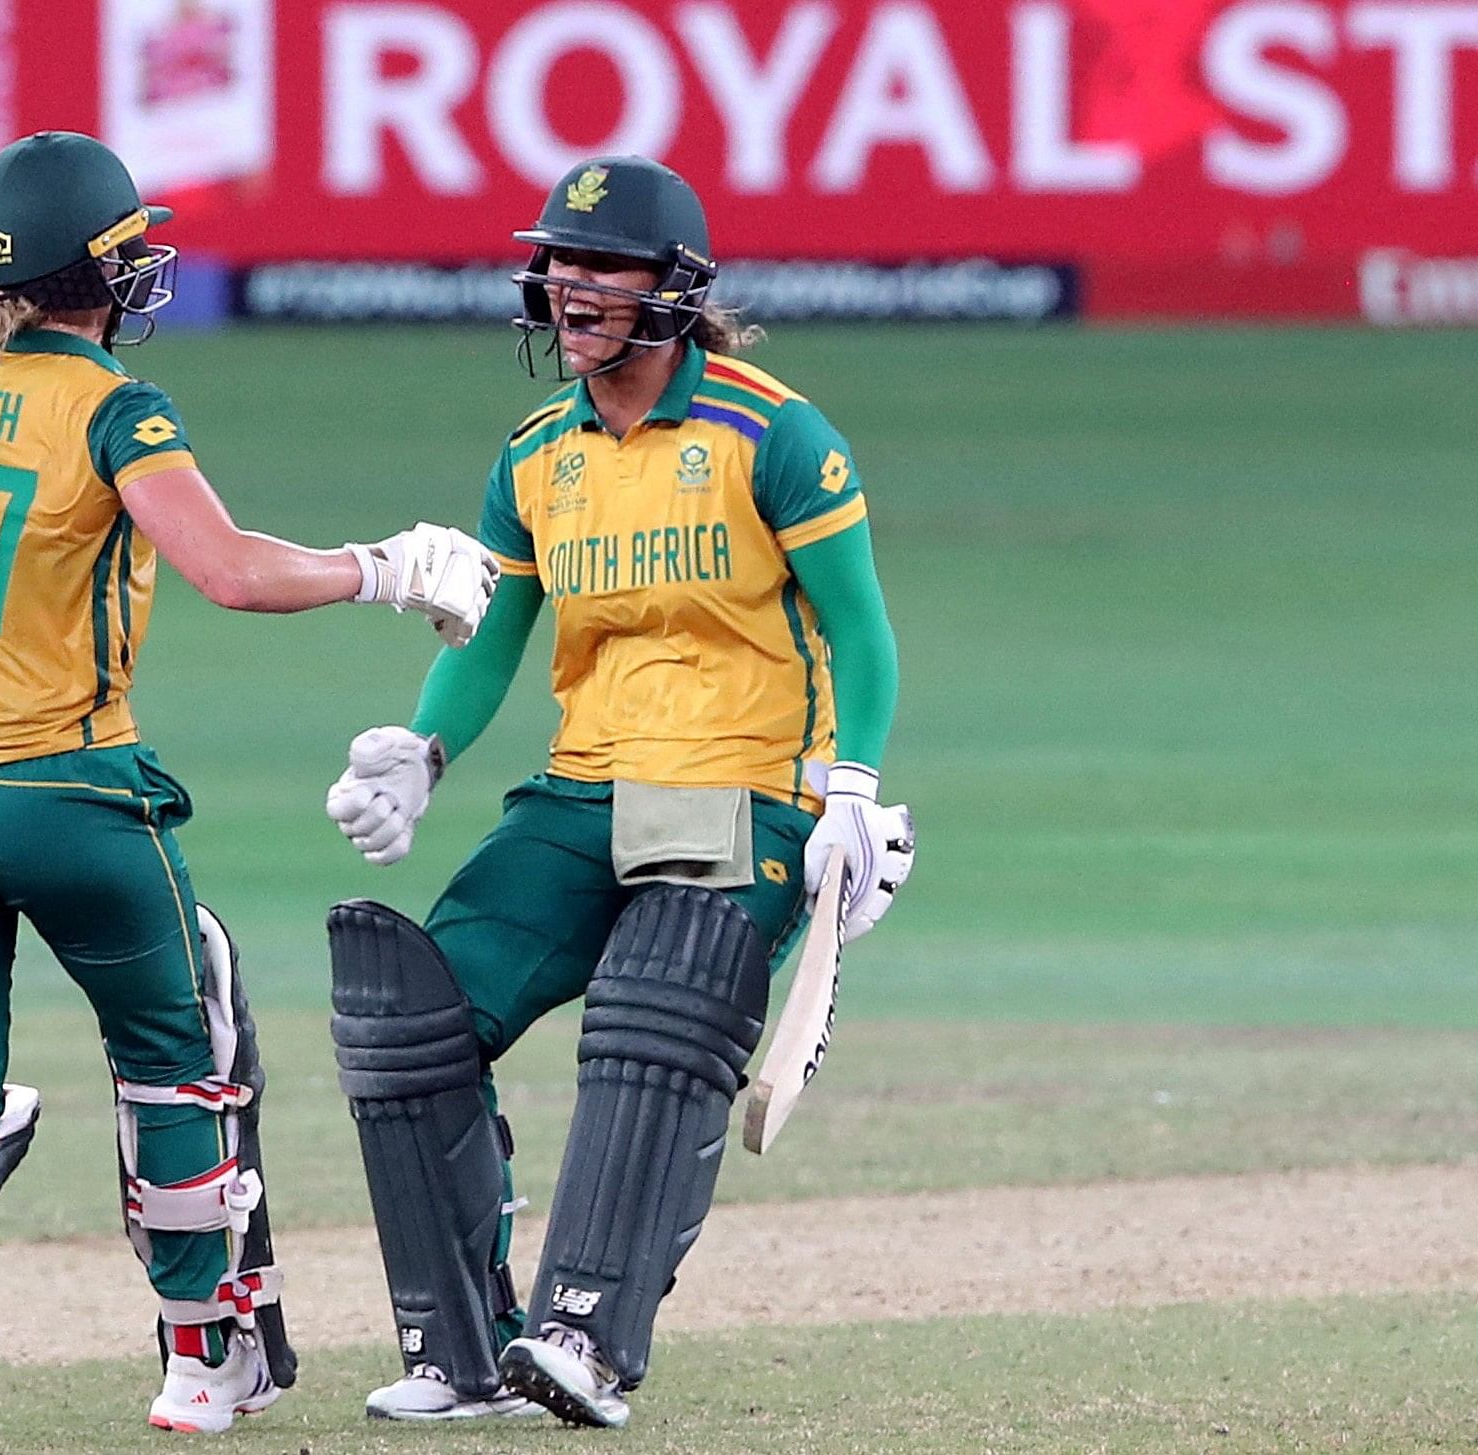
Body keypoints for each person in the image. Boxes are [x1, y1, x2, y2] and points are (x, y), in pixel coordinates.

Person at [0, 130, 498, 1448]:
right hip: (70, 796)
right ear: (92, 270)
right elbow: (227, 568)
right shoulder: (114, 405)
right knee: (177, 1064)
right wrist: (387, 565)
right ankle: (202, 1363)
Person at [320, 155, 917, 1428]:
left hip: (745, 790)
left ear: (675, 289)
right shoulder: (538, 452)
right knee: (408, 1024)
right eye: (558, 266)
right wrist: (424, 752)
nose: (570, 289)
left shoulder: (773, 432)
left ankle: (585, 1337)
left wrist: (852, 790)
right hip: (585, 789)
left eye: (602, 269)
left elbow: (862, 634)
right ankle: (461, 1353)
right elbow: (488, 628)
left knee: (655, 1021)